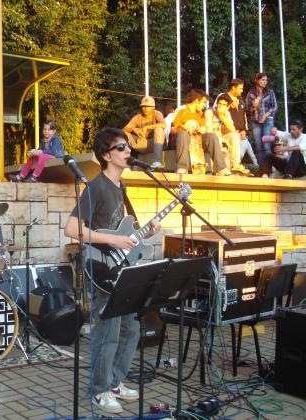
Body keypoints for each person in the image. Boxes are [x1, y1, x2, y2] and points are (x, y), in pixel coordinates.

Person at [64, 127, 160, 414]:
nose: (128, 151)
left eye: (128, 146)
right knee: (108, 332)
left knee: (131, 328)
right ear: (106, 156)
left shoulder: (121, 188)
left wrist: (147, 232)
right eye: (121, 147)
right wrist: (115, 241)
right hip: (102, 269)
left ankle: (115, 382)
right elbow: (72, 229)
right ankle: (100, 390)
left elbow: (126, 233)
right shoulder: (96, 187)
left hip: (122, 268)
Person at [171, 89, 231, 175]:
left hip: (198, 141)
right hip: (182, 140)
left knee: (212, 136)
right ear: (196, 101)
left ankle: (221, 169)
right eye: (203, 102)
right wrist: (184, 128)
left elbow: (205, 129)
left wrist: (203, 129)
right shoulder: (181, 111)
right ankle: (182, 167)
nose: (204, 105)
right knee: (183, 134)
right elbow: (172, 130)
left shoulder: (201, 114)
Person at [205, 94, 249, 175]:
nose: (221, 106)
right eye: (220, 104)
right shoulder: (209, 112)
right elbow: (209, 131)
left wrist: (222, 116)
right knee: (218, 140)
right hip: (211, 138)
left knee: (235, 135)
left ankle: (235, 165)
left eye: (224, 105)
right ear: (216, 104)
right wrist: (222, 139)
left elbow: (232, 129)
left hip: (222, 137)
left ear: (227, 107)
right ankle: (219, 170)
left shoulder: (226, 113)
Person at [123, 96, 166, 170]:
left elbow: (164, 125)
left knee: (159, 129)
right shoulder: (138, 117)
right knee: (124, 135)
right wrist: (133, 129)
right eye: (143, 106)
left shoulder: (157, 113)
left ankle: (156, 162)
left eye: (148, 106)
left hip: (154, 143)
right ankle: (126, 164)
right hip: (142, 143)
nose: (145, 108)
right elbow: (123, 130)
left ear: (153, 107)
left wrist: (146, 127)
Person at [245, 73, 277, 164]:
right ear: (257, 80)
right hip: (255, 122)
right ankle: (262, 168)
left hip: (268, 120)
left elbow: (274, 107)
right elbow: (247, 109)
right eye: (263, 80)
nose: (265, 82)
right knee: (259, 146)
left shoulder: (270, 92)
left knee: (267, 144)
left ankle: (270, 168)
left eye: (266, 80)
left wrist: (265, 115)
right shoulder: (251, 93)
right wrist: (253, 107)